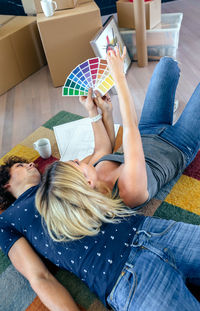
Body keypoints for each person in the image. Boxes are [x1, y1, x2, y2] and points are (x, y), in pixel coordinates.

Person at [0, 48, 200, 310]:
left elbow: (102, 149)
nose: (81, 161)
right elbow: (40, 277)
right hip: (123, 278)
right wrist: (119, 77)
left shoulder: (61, 179)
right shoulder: (10, 218)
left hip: (150, 230)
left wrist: (99, 113)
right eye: (20, 166)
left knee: (167, 65)